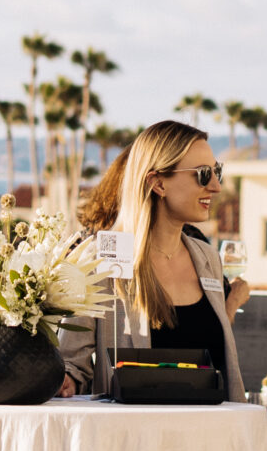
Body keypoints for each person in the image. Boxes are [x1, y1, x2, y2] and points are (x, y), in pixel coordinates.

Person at [58, 121, 248, 399]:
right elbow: (71, 363)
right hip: (134, 426)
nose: (216, 186)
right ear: (158, 183)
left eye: (216, 171)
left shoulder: (207, 258)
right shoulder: (99, 260)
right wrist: (67, 380)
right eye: (203, 174)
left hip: (211, 425)